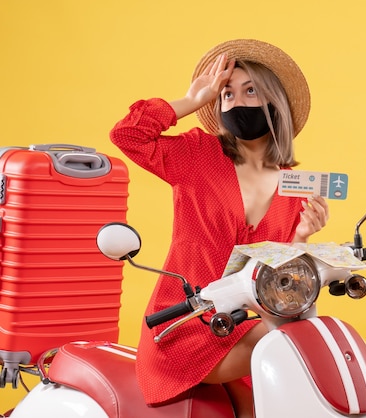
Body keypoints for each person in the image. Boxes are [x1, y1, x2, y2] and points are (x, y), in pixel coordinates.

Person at [110, 39, 329, 418]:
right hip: (183, 323)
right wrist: (193, 99)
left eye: (250, 91)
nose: (237, 102)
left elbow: (274, 272)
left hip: (243, 321)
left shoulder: (296, 185)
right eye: (227, 94)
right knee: (291, 338)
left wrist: (302, 236)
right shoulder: (196, 154)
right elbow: (126, 135)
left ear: (274, 103)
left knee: (301, 336)